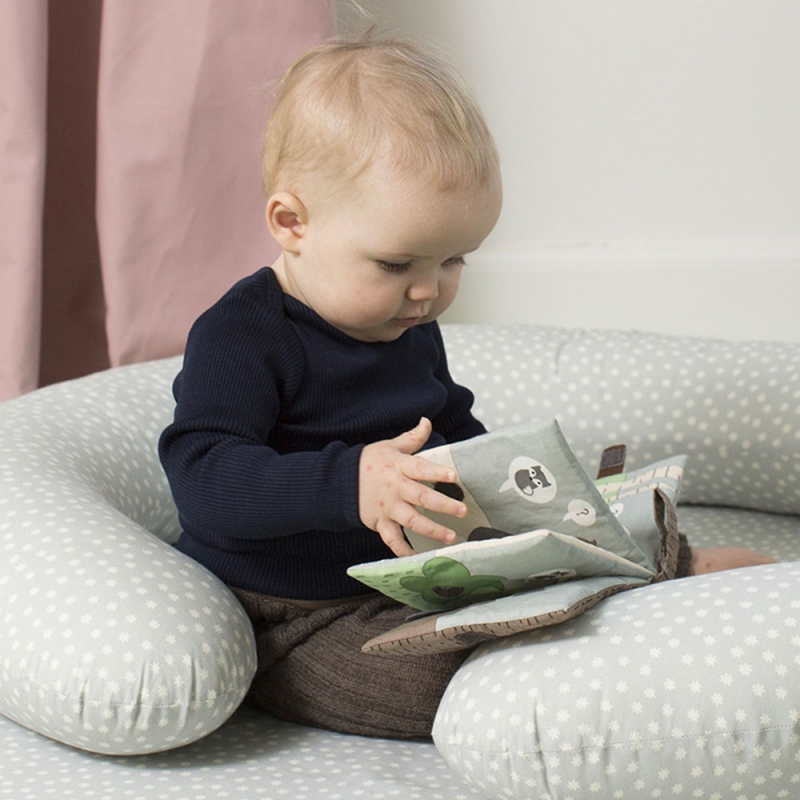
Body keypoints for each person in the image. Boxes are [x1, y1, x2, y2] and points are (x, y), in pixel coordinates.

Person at [159, 36, 773, 740]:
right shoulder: (242, 336)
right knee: (444, 680)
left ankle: (664, 580)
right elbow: (201, 475)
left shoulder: (405, 321)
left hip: (430, 574)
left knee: (595, 552)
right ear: (292, 223)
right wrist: (348, 484)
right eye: (395, 263)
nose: (428, 290)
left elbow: (450, 423)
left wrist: (517, 495)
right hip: (301, 610)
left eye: (454, 259)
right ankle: (599, 686)